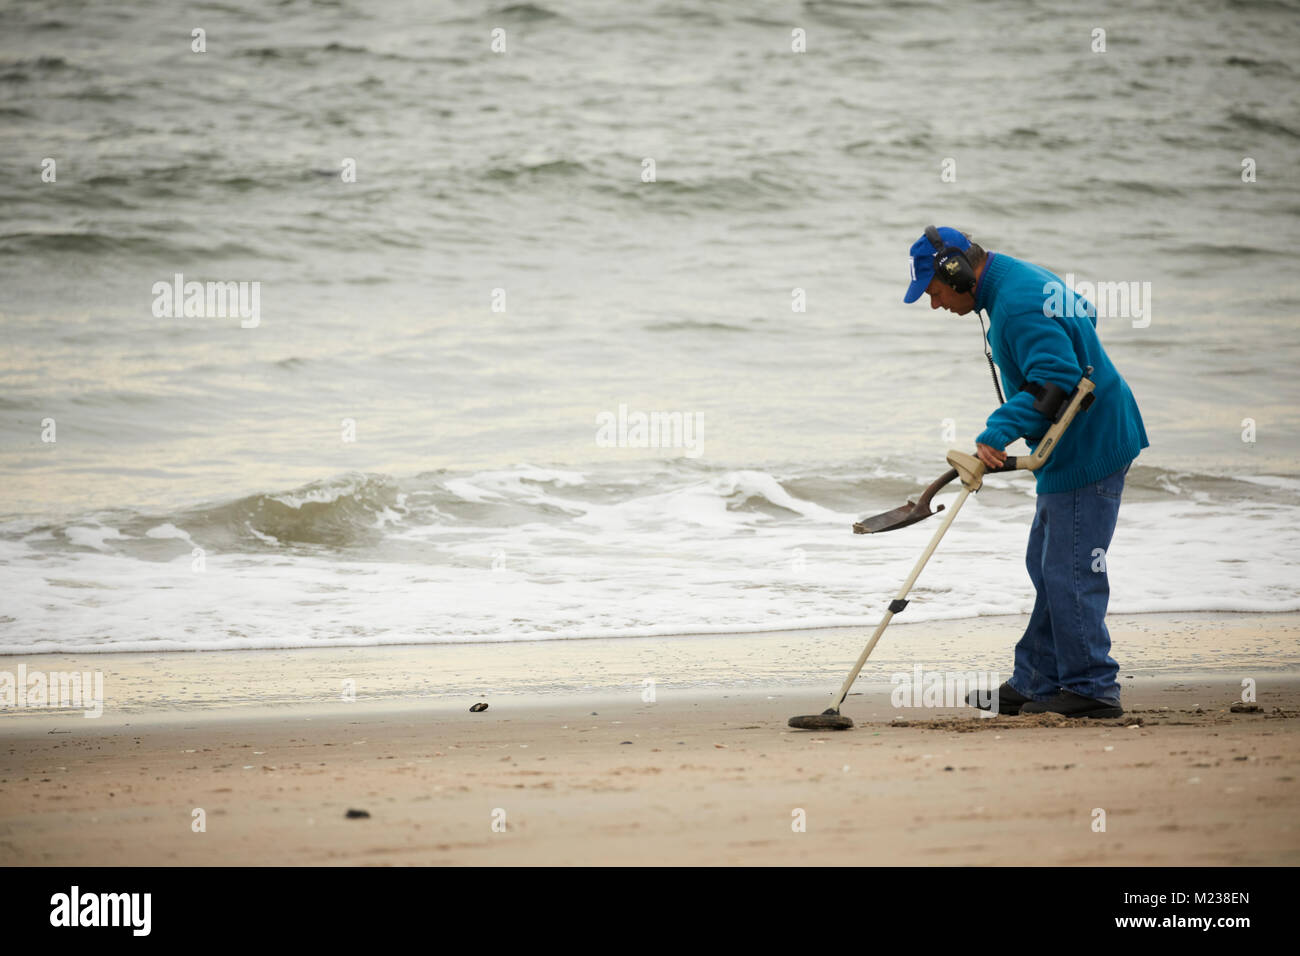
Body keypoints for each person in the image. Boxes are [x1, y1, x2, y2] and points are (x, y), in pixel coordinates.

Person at [903, 226, 1149, 718]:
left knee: (1070, 570)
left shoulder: (1014, 305)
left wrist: (998, 431)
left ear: (956, 271)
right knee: (1047, 565)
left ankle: (1092, 688)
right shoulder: (1018, 278)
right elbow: (1084, 311)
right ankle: (1038, 680)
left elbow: (1055, 381)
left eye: (934, 292)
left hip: (1089, 447)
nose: (935, 305)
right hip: (1075, 446)